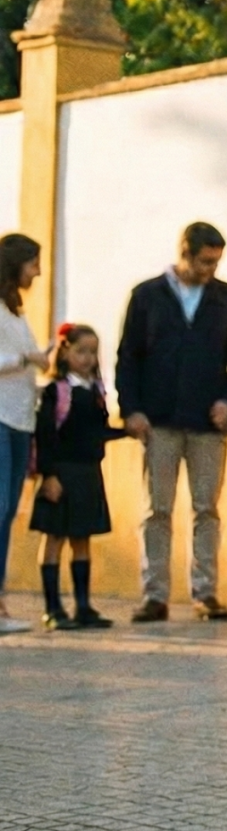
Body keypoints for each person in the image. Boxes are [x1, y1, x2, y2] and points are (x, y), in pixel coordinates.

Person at [115, 222, 227, 623]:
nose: (211, 270)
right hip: (159, 419)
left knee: (206, 509)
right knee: (157, 509)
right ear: (185, 254)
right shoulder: (147, 295)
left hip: (208, 422)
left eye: (216, 262)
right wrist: (131, 408)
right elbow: (129, 356)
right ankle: (154, 594)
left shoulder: (226, 298)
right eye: (205, 261)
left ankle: (205, 592)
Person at [29, 324, 124, 631]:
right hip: (61, 472)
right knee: (54, 536)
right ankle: (53, 608)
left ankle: (83, 606)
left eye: (92, 352)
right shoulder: (55, 390)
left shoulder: (96, 391)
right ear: (65, 352)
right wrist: (49, 475)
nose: (87, 358)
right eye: (81, 351)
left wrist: (127, 432)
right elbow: (45, 435)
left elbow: (97, 432)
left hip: (88, 472)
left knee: (82, 538)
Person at [0, 233, 56, 634]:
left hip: (21, 419)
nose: (37, 271)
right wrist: (26, 358)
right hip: (0, 418)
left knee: (7, 512)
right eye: (33, 263)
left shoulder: (16, 312)